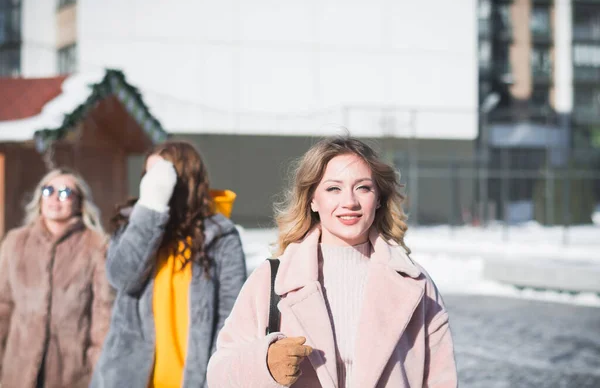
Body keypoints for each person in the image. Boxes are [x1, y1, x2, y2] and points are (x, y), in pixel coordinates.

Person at [207, 136, 457, 387]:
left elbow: (441, 380)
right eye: (333, 188)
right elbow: (219, 373)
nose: (349, 202)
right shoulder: (272, 279)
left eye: (363, 188)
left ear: (379, 198)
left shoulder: (415, 284)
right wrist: (264, 364)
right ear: (312, 199)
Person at [91, 141, 247, 388]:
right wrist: (151, 208)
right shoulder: (133, 226)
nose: (153, 183)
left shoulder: (221, 236)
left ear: (186, 179)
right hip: (127, 379)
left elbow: (230, 318)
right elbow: (122, 278)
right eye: (148, 176)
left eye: (162, 174)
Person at [0, 168, 113, 388]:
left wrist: (98, 376)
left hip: (72, 375)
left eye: (64, 193)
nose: (54, 198)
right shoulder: (15, 242)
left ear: (79, 202)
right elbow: (2, 307)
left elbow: (102, 319)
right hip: (17, 373)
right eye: (48, 190)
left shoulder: (96, 246)